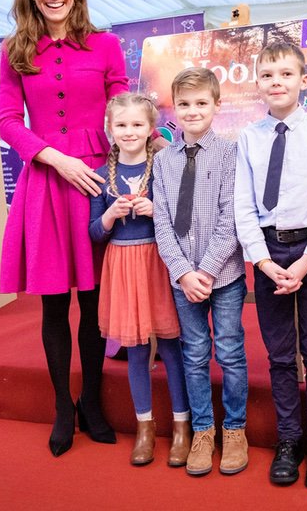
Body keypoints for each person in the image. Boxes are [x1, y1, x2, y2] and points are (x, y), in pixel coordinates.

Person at [0, 0, 127, 457]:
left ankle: (91, 401)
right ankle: (60, 406)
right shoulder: (15, 51)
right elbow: (8, 120)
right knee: (54, 303)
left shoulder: (106, 44)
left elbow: (122, 108)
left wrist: (143, 152)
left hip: (98, 179)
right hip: (49, 180)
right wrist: (53, 156)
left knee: (95, 302)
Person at [234, 42, 307, 488]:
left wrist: (305, 263)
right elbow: (243, 203)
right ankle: (288, 439)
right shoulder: (249, 136)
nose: (275, 82)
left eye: (285, 74)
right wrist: (260, 260)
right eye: (267, 75)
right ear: (257, 83)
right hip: (268, 254)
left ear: (303, 81)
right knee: (280, 356)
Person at [153, 68, 249, 477]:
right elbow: (160, 221)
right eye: (184, 104)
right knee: (194, 355)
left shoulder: (231, 154)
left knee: (229, 350)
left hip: (223, 274)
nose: (192, 111)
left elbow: (233, 217)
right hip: (182, 278)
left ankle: (235, 429)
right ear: (174, 109)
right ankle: (203, 430)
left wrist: (206, 270)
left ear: (216, 106)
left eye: (201, 103)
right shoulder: (163, 161)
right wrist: (182, 272)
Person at [90, 93, 191, 467]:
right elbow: (95, 233)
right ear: (110, 130)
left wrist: (155, 210)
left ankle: (182, 426)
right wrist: (111, 216)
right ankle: (144, 427)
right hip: (122, 264)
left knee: (170, 344)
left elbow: (183, 218)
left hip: (159, 260)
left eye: (136, 125)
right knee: (135, 349)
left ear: (150, 130)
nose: (128, 131)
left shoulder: (164, 165)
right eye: (121, 125)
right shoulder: (102, 176)